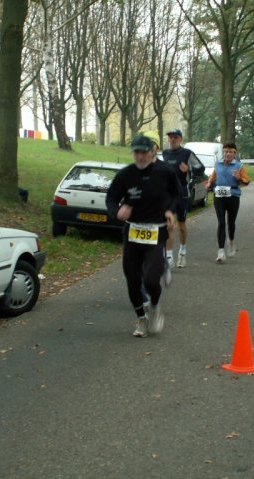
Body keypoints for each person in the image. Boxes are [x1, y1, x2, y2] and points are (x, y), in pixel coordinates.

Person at [106, 134, 181, 338]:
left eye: (143, 152)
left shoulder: (165, 172)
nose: (139, 156)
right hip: (132, 232)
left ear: (152, 152)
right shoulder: (126, 174)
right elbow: (111, 197)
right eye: (136, 152)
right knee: (132, 279)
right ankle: (140, 317)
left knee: (150, 280)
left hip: (156, 233)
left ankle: (155, 306)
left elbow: (177, 193)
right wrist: (117, 212)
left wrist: (170, 211)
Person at [207, 142, 250, 263]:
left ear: (234, 154)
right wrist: (209, 183)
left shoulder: (239, 166)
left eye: (231, 152)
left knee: (231, 222)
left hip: (233, 196)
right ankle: (221, 251)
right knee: (221, 222)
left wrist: (239, 178)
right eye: (226, 151)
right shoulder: (218, 164)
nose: (228, 154)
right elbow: (213, 177)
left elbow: (246, 181)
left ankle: (231, 241)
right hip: (219, 196)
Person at [161, 128, 197, 268]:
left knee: (181, 226)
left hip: (182, 193)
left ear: (181, 139)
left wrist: (188, 169)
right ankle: (169, 257)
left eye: (175, 137)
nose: (172, 139)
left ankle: (182, 251)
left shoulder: (187, 153)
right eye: (170, 137)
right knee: (169, 224)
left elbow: (199, 168)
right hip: (168, 194)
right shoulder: (165, 153)